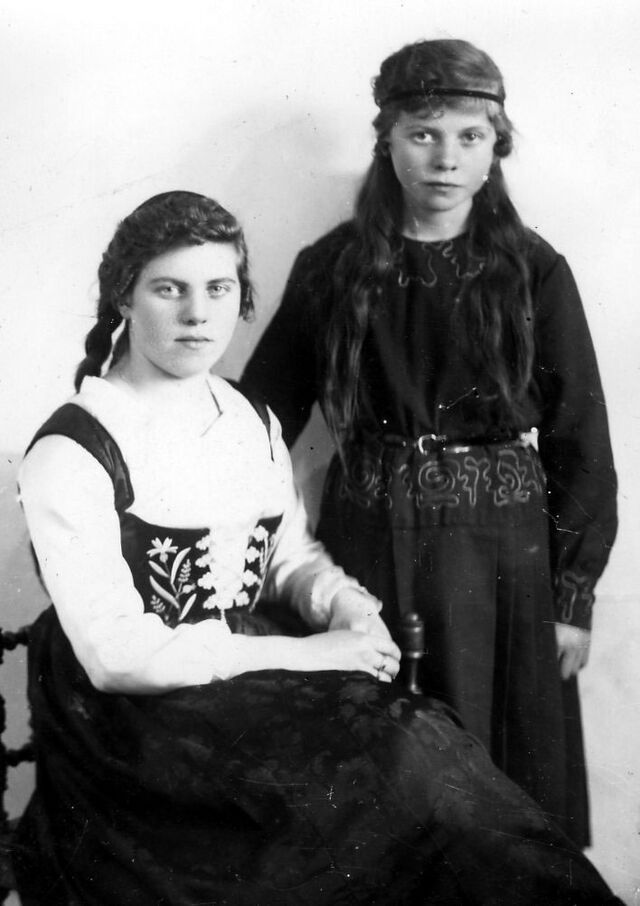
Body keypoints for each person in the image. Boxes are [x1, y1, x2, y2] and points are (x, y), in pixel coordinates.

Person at [14, 191, 621, 906]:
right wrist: (315, 655)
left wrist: (346, 609)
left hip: (246, 679)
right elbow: (117, 657)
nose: (197, 314)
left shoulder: (246, 417)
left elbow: (289, 557)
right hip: (134, 722)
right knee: (390, 771)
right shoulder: (74, 448)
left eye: (219, 288)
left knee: (421, 741)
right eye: (168, 289)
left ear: (242, 298)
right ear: (124, 296)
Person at [241, 39, 618, 849]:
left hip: (502, 564)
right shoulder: (333, 269)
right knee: (383, 775)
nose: (446, 158)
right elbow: (259, 421)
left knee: (502, 793)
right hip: (371, 547)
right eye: (423, 133)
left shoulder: (532, 270)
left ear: (495, 147)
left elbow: (581, 441)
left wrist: (572, 600)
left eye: (469, 136)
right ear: (387, 140)